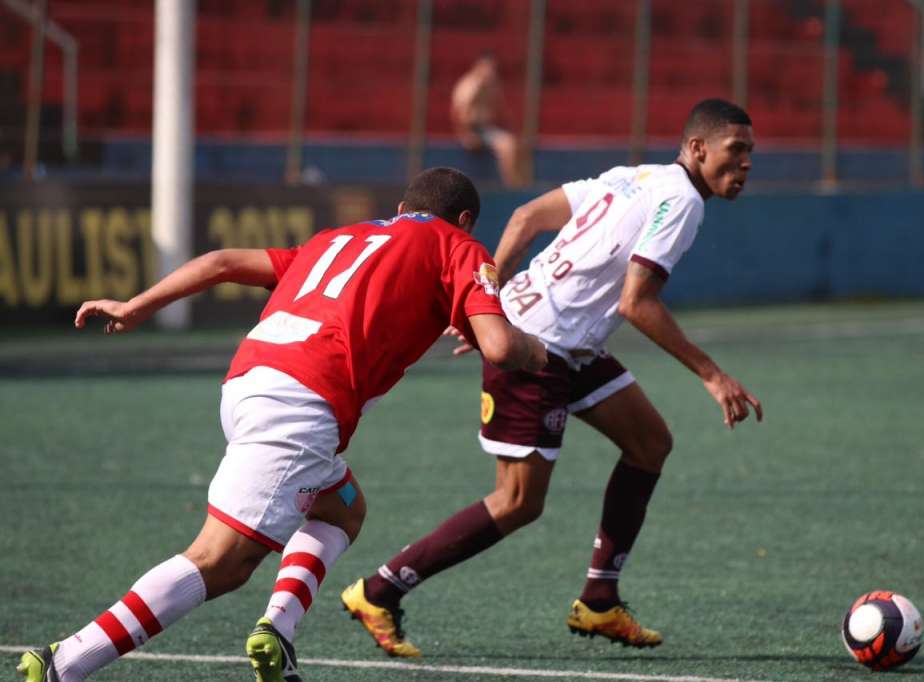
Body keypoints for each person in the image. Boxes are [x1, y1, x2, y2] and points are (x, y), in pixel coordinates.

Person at [17, 167, 548, 682]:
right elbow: (500, 346)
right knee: (219, 561)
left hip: (248, 381)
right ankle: (65, 663)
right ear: (465, 220)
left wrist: (137, 306)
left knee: (342, 508)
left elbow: (222, 261)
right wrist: (535, 350)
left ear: (401, 210)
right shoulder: (458, 247)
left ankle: (278, 630)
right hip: (301, 404)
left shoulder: (339, 237)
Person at [341, 99, 763, 657]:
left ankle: (599, 601)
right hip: (538, 348)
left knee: (649, 443)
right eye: (736, 151)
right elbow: (638, 304)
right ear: (697, 148)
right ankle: (378, 591)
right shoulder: (681, 200)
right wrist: (713, 375)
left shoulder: (633, 177)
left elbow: (524, 219)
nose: (746, 164)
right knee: (517, 501)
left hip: (568, 343)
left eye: (750, 154)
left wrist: (490, 301)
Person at [451, 53, 525, 188]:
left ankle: (521, 183)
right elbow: (460, 112)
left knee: (516, 143)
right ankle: (513, 186)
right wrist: (465, 134)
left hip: (487, 129)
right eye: (487, 68)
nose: (490, 71)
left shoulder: (491, 86)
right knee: (507, 145)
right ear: (478, 67)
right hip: (474, 130)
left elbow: (501, 111)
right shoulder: (470, 86)